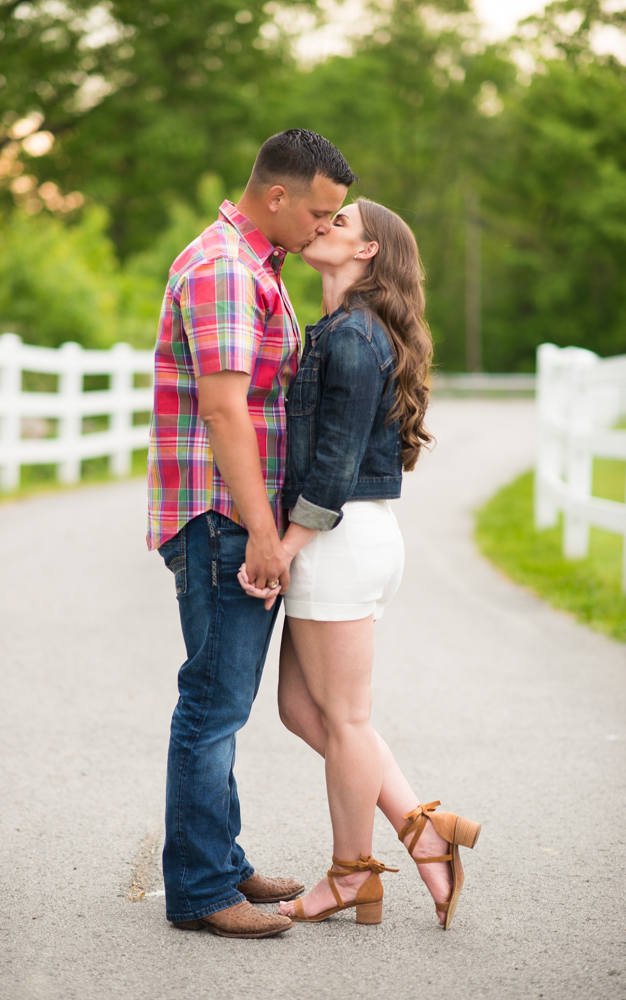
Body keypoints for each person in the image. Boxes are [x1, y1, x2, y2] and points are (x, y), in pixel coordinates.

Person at [240, 198, 481, 930]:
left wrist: (281, 548)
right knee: (302, 710)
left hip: (336, 540)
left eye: (339, 222)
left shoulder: (351, 338)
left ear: (368, 252)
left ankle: (350, 876)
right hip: (349, 538)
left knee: (344, 721)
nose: (322, 225)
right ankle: (419, 825)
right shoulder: (341, 332)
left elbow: (335, 470)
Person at [146, 130, 358, 939]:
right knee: (211, 706)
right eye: (318, 211)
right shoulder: (225, 270)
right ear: (276, 196)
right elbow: (226, 409)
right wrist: (263, 532)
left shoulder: (252, 263)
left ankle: (221, 862)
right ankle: (200, 890)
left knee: (220, 701)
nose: (321, 227)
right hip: (223, 520)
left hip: (236, 516)